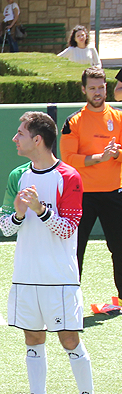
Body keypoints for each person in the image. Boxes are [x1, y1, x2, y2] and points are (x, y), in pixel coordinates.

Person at [0, 111, 101, 394]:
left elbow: (69, 228)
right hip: (26, 276)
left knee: (69, 339)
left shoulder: (69, 177)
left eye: (20, 133)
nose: (15, 138)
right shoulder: (17, 175)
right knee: (33, 338)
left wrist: (39, 210)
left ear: (37, 140)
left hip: (60, 278)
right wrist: (17, 214)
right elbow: (4, 227)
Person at [60, 67, 122, 306]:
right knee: (75, 249)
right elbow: (68, 158)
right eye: (93, 88)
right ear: (84, 89)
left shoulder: (118, 118)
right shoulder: (73, 121)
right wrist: (99, 158)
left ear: (106, 88)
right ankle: (69, 298)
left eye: (101, 87)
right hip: (82, 195)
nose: (97, 92)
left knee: (119, 247)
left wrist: (115, 155)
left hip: (114, 193)